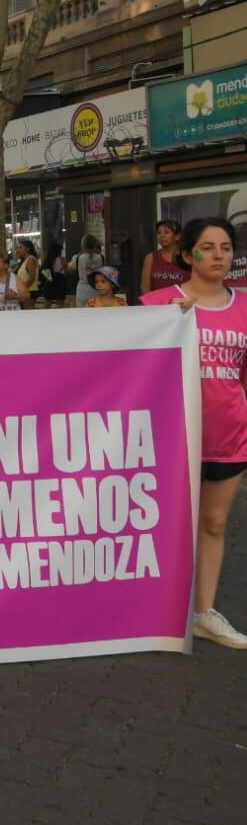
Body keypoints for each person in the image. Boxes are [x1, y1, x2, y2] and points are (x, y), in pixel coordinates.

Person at [141, 217, 247, 648]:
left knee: (214, 523)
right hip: (172, 437)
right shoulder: (158, 304)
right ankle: (152, 609)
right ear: (187, 255)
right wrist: (165, 323)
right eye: (208, 247)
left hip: (230, 436)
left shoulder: (243, 305)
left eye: (226, 247)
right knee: (160, 523)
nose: (219, 255)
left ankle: (203, 611)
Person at [141, 219, 190, 295]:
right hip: (157, 305)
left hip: (182, 304)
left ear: (177, 236)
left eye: (166, 232)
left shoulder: (187, 257)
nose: (162, 236)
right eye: (159, 233)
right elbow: (145, 287)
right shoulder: (150, 257)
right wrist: (151, 304)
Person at [68, 234, 104, 308]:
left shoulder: (77, 257)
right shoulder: (101, 257)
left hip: (82, 290)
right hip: (97, 289)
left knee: (82, 316)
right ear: (95, 244)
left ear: (83, 245)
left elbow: (70, 269)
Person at [13, 238, 40, 307]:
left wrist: (21, 289)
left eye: (20, 248)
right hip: (24, 291)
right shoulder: (23, 261)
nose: (18, 250)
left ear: (28, 249)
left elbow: (31, 278)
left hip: (29, 291)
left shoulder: (30, 259)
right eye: (17, 248)